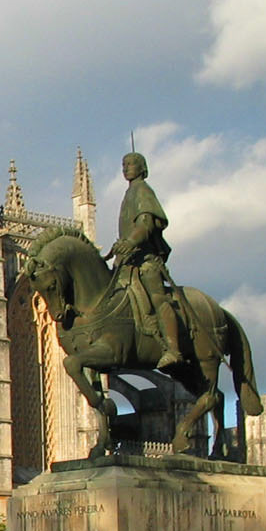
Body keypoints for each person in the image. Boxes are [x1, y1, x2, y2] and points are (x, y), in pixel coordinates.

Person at [106, 152, 183, 369]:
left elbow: (146, 224)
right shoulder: (129, 194)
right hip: (126, 262)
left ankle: (173, 349)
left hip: (144, 260)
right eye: (124, 164)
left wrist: (130, 242)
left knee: (158, 298)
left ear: (142, 168)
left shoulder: (143, 191)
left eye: (131, 164)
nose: (126, 168)